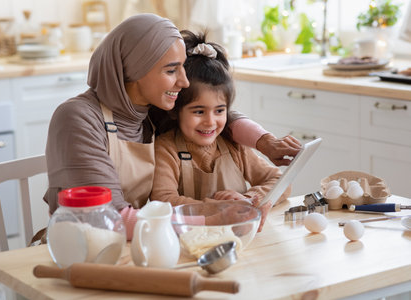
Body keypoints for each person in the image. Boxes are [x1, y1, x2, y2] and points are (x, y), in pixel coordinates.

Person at [44, 14, 300, 239]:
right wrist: (212, 217)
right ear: (135, 69)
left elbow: (217, 114)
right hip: (85, 247)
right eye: (171, 70)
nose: (185, 82)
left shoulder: (149, 109)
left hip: (149, 240)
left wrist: (265, 141)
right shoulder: (78, 118)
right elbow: (109, 220)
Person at [150, 31, 290, 230]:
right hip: (191, 241)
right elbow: (164, 201)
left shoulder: (234, 146)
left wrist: (247, 200)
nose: (210, 122)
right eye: (199, 111)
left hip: (242, 239)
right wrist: (220, 209)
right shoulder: (166, 148)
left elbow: (280, 180)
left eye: (219, 111)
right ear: (176, 111)